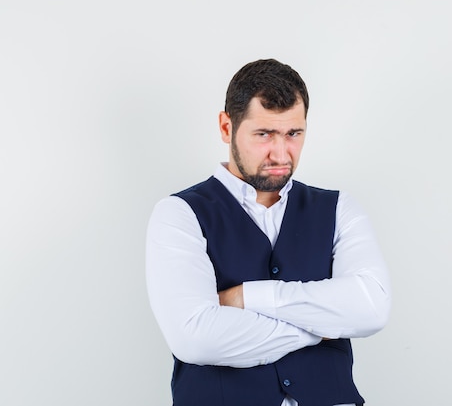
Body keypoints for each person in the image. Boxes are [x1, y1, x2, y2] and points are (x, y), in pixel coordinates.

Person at [146, 58, 391, 406]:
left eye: (293, 134)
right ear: (226, 127)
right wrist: (322, 325)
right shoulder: (179, 214)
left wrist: (246, 298)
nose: (281, 153)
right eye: (264, 134)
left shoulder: (339, 209)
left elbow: (371, 309)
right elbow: (195, 339)